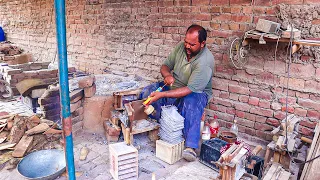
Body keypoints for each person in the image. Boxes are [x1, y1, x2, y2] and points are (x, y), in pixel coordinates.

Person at [140, 24, 214, 161]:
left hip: (195, 92)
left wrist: (162, 95)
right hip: (174, 86)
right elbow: (165, 66)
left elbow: (189, 89)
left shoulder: (205, 62)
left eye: (192, 44)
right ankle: (163, 124)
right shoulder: (181, 47)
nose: (187, 46)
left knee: (190, 102)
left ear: (202, 44)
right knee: (147, 92)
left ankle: (191, 147)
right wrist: (167, 75)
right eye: (186, 42)